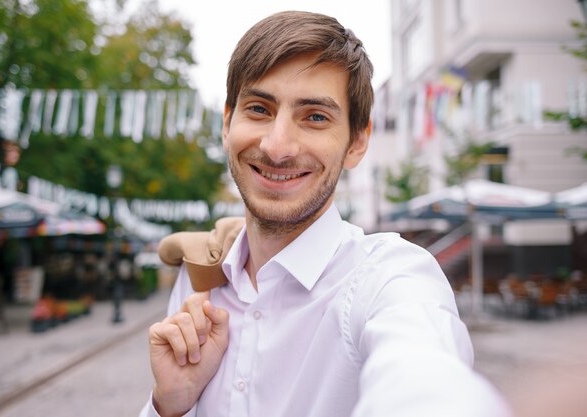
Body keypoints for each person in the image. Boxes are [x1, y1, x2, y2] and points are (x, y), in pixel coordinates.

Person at [140, 10, 511, 417]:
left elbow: (425, 378)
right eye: (259, 109)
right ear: (227, 124)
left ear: (357, 141)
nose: (277, 147)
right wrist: (169, 405)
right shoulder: (198, 278)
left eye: (315, 117)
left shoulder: (390, 279)